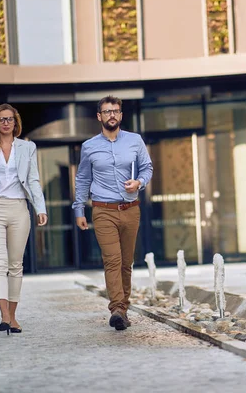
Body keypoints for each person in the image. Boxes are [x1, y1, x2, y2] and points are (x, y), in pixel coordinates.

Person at [73, 96, 153, 330]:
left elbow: (147, 167)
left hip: (130, 210)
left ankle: (123, 309)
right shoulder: (89, 146)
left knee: (126, 263)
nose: (111, 115)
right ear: (99, 116)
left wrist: (138, 182)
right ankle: (116, 308)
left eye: (115, 111)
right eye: (107, 111)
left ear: (121, 115)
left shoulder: (135, 141)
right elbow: (83, 179)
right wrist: (79, 209)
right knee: (112, 260)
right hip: (103, 210)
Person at [0, 103, 48, 335]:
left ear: (16, 123)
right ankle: (4, 314)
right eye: (2, 119)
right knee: (0, 263)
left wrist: (40, 207)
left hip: (18, 209)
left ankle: (12, 317)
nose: (6, 123)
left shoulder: (27, 147)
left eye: (10, 119)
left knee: (16, 265)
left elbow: (33, 179)